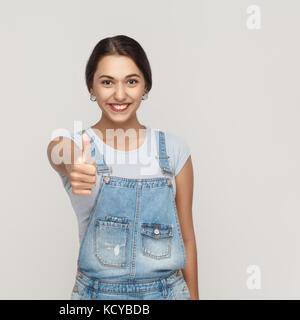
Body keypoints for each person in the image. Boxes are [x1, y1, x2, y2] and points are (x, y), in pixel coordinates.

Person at [47, 35, 198, 300]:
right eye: (107, 82)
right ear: (91, 87)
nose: (119, 94)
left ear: (145, 86)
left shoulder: (173, 150)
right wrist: (73, 165)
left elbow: (187, 240)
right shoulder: (81, 146)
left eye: (131, 81)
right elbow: (56, 150)